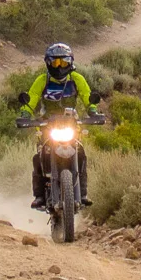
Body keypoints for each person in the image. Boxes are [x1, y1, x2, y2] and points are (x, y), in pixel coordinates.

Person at [25, 42, 95, 210]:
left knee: (81, 154)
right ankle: (40, 196)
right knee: (39, 157)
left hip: (71, 125)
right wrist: (25, 114)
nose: (59, 66)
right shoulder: (42, 80)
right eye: (55, 62)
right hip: (47, 126)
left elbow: (87, 96)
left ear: (70, 63)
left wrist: (93, 110)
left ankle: (83, 194)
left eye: (62, 62)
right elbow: (31, 98)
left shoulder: (77, 79)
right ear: (48, 63)